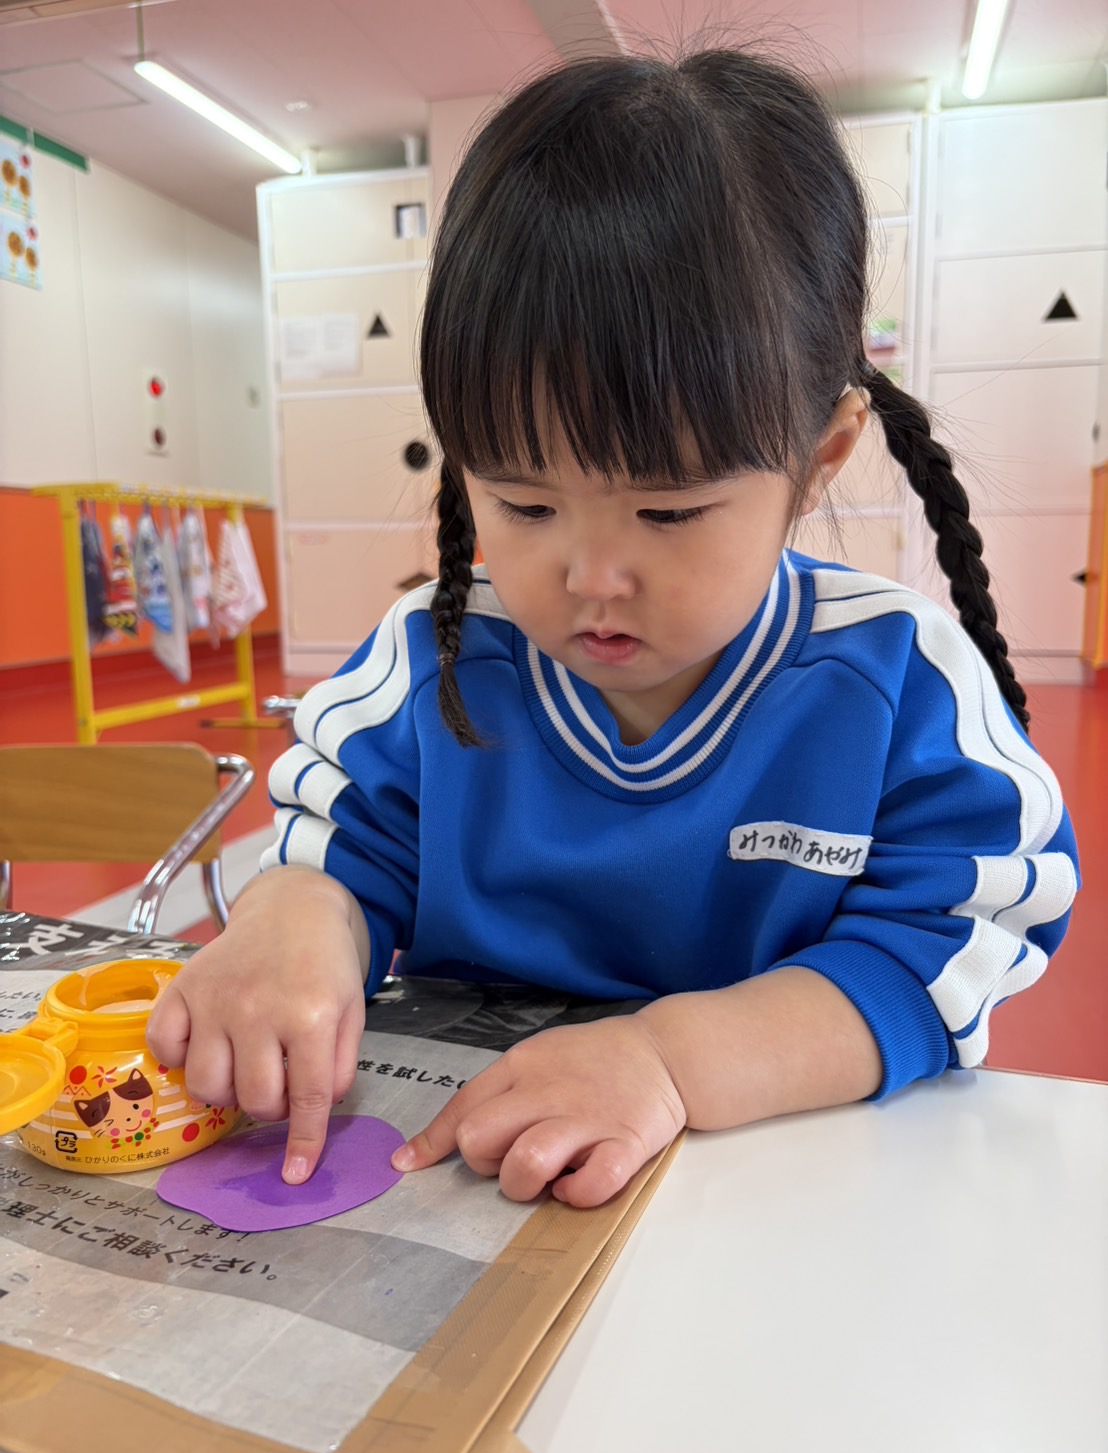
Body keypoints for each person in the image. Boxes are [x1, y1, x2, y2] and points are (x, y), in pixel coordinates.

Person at [147, 47, 1079, 1209]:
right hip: (477, 1179)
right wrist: (295, 916)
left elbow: (947, 945)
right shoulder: (432, 661)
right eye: (524, 503)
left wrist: (673, 1061)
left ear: (820, 458)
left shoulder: (899, 684)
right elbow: (343, 854)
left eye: (669, 511)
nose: (591, 578)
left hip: (778, 1196)